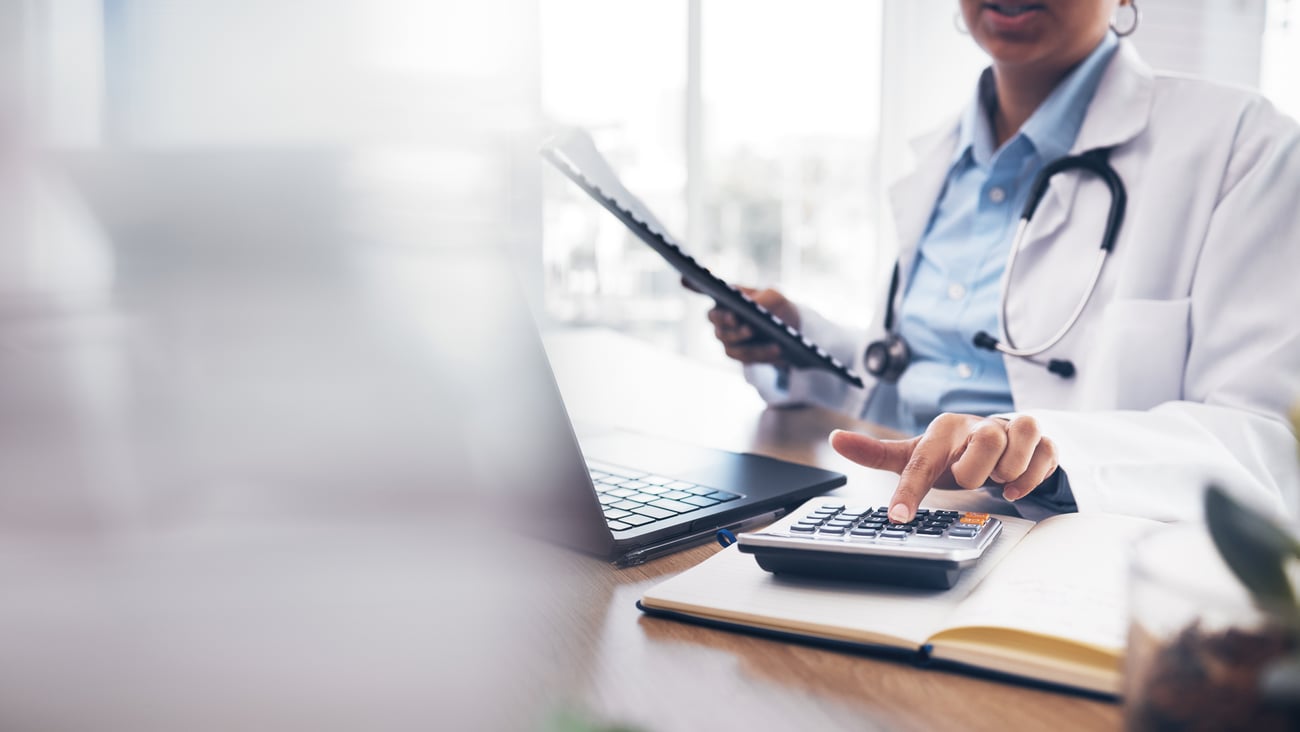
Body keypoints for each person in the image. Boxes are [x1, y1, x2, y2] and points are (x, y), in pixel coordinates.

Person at [703, 0, 1300, 524]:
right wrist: (802, 342)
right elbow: (919, 380)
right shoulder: (942, 159)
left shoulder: (1243, 145)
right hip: (899, 511)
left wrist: (1042, 448)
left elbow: (1263, 438)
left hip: (1067, 545)